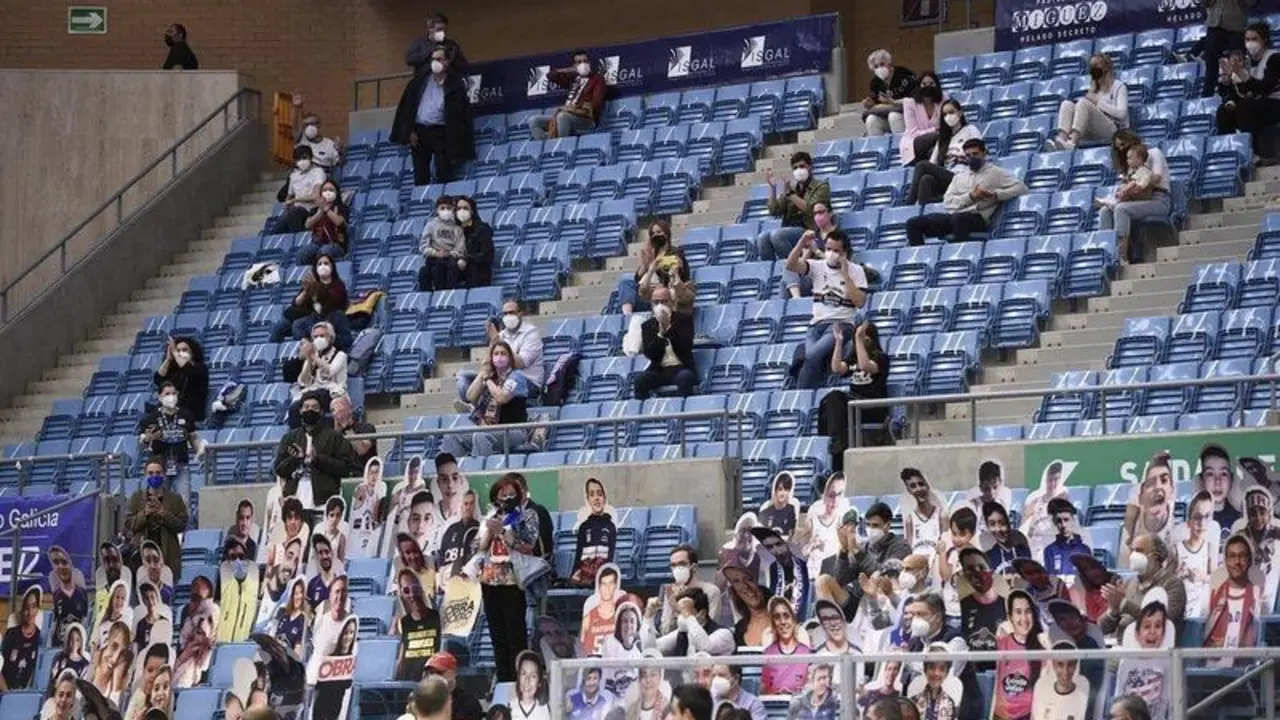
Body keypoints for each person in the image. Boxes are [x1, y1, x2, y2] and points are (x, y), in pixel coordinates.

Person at [472, 476, 541, 683]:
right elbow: (477, 548)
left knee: (515, 634)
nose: (506, 498)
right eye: (502, 494)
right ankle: (503, 679)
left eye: (511, 494)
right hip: (490, 582)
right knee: (497, 635)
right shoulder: (490, 516)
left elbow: (529, 544)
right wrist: (490, 532)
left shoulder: (525, 515)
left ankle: (520, 680)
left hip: (513, 582)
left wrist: (503, 531)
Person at [905, 138, 1028, 246]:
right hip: (954, 216)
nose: (971, 158)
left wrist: (996, 195)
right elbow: (948, 202)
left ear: (984, 153)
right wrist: (970, 197)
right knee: (913, 223)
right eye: (968, 155)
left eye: (975, 154)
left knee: (959, 219)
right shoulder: (960, 177)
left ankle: (960, 258)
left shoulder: (996, 173)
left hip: (977, 218)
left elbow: (1021, 187)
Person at [786, 229, 868, 389]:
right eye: (828, 249)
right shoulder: (818, 266)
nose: (831, 254)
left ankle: (800, 396)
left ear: (844, 252)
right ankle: (812, 399)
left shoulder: (856, 270)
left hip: (840, 325)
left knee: (811, 356)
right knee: (813, 360)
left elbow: (860, 302)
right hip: (816, 325)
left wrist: (845, 275)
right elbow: (790, 265)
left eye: (836, 251)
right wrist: (801, 243)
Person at [392, 44, 474, 186]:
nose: (435, 62)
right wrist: (409, 131)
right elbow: (407, 107)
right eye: (433, 59)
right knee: (420, 174)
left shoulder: (455, 85)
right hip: (419, 132)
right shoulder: (419, 82)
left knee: (444, 171)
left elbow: (460, 116)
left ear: (447, 62)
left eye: (439, 59)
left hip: (441, 133)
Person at [817, 504, 909, 622]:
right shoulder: (864, 546)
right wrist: (844, 550)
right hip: (857, 600)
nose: (871, 529)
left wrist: (856, 552)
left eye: (875, 525)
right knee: (823, 581)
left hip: (881, 599)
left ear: (887, 525)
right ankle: (831, 625)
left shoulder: (900, 547)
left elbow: (884, 576)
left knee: (875, 577)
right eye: (868, 525)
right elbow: (841, 579)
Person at [444, 341, 530, 457]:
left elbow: (501, 397)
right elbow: (470, 396)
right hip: (491, 429)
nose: (499, 357)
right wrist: (483, 373)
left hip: (515, 430)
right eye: (496, 354)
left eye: (503, 354)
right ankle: (455, 472)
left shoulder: (517, 376)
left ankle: (481, 471)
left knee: (481, 435)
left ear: (510, 358)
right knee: (453, 436)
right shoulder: (491, 377)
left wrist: (488, 380)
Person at [1097, 131, 1171, 264]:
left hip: (1158, 200)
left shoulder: (1154, 153)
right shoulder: (1130, 164)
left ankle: (1121, 256)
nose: (1121, 149)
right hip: (1137, 200)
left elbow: (1156, 178)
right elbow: (1126, 184)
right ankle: (1106, 253)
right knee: (1105, 211)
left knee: (1121, 209)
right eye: (1118, 148)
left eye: (1123, 144)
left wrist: (1140, 176)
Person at [272, 392, 359, 505]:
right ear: (300, 411)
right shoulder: (289, 438)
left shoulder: (334, 437)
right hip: (294, 501)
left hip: (324, 501)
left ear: (322, 412)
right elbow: (279, 469)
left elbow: (346, 467)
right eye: (306, 407)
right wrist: (296, 459)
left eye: (314, 407)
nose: (310, 410)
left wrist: (318, 459)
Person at [821, 319, 891, 457]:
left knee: (836, 397)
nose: (861, 339)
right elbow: (837, 368)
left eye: (865, 336)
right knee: (828, 401)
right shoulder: (852, 359)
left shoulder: (881, 358)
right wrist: (839, 342)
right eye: (858, 336)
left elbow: (865, 366)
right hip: (854, 407)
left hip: (872, 406)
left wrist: (858, 340)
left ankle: (839, 444)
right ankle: (833, 443)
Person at [458, 299, 544, 406]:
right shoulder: (501, 334)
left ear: (520, 313)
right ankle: (474, 405)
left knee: (498, 380)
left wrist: (498, 341)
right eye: (505, 313)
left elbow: (520, 363)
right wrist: (492, 344)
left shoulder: (531, 333)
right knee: (463, 376)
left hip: (526, 381)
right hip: (502, 377)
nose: (508, 316)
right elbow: (488, 362)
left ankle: (477, 408)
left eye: (511, 312)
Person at [1100, 534, 1186, 640]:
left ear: (1156, 556)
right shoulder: (1130, 584)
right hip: (1121, 647)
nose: (1133, 555)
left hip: (1154, 651)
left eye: (1139, 550)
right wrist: (1114, 611)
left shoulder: (1173, 585)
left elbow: (1164, 623)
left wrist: (1124, 604)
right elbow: (1102, 629)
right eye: (1132, 550)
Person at [1216, 22, 1280, 160]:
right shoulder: (1246, 61)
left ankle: (1254, 153)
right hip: (1256, 104)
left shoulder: (1274, 58)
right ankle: (1229, 153)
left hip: (1275, 103)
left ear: (1265, 40)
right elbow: (1243, 92)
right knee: (1224, 110)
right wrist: (1230, 80)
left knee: (1245, 107)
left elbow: (1264, 89)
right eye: (1247, 39)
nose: (1250, 43)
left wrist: (1244, 76)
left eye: (1254, 39)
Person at [905, 98, 982, 205]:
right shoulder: (943, 139)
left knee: (921, 165)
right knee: (926, 180)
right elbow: (932, 164)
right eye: (945, 114)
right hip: (948, 178)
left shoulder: (970, 130)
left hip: (964, 177)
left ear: (960, 113)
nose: (948, 117)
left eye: (951, 112)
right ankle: (927, 210)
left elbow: (979, 154)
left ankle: (908, 204)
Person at [757, 152, 831, 261]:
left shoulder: (821, 186)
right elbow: (774, 211)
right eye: (795, 168)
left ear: (810, 167)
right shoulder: (791, 189)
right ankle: (772, 273)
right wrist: (773, 188)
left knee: (777, 235)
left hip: (810, 230)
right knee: (762, 238)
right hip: (789, 230)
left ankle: (795, 268)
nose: (799, 170)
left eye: (802, 166)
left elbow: (810, 210)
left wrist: (791, 194)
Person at [138, 382, 204, 504]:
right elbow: (142, 444)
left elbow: (193, 437)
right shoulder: (150, 419)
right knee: (156, 502)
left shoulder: (186, 414)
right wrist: (148, 438)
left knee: (185, 502)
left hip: (181, 465)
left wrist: (199, 448)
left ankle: (186, 523)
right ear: (160, 397)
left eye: (174, 393)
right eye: (167, 394)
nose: (171, 397)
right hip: (159, 468)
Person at [1048, 53, 1129, 151]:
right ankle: (1061, 140)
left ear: (1106, 68)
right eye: (1092, 67)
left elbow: (1121, 114)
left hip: (1113, 129)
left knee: (1083, 103)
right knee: (1067, 104)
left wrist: (1098, 103)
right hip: (1092, 130)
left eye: (1097, 67)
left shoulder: (1119, 86)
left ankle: (1072, 142)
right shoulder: (1094, 87)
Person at [125, 457, 190, 577]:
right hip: (142, 559)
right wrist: (145, 514)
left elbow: (181, 525)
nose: (154, 476)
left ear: (164, 475)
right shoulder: (136, 497)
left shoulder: (175, 499)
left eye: (158, 473)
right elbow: (129, 524)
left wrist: (164, 513)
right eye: (150, 473)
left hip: (168, 558)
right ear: (145, 475)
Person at [272, 253, 351, 349]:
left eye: (326, 263)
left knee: (298, 324)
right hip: (311, 316)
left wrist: (317, 289)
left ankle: (311, 348)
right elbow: (296, 303)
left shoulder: (338, 284)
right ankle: (274, 348)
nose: (323, 266)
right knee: (284, 324)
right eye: (320, 264)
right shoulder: (312, 283)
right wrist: (306, 291)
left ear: (332, 266)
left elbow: (335, 304)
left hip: (330, 317)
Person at [1203, 535, 1263, 662]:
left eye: (1242, 556)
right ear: (1225, 560)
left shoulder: (1258, 597)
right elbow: (1201, 637)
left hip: (1247, 670)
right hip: (1214, 670)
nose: (1237, 561)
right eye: (1232, 556)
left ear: (1249, 560)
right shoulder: (1212, 596)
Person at [634, 286, 698, 400]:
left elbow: (686, 347)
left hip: (680, 367)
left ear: (672, 302)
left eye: (663, 301)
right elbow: (650, 354)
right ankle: (644, 415)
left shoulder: (684, 320)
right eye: (656, 302)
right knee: (640, 381)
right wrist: (661, 334)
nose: (660, 305)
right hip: (659, 370)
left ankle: (683, 413)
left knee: (685, 378)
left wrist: (668, 328)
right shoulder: (647, 326)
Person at [618, 220, 694, 315]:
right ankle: (627, 315)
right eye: (653, 234)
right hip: (649, 296)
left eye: (659, 232)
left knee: (661, 292)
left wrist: (660, 273)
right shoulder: (651, 253)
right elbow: (637, 279)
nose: (656, 236)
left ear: (666, 234)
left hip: (665, 296)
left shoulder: (675, 252)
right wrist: (645, 264)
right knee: (626, 283)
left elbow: (677, 277)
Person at [992, 590, 1046, 720]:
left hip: (1027, 715)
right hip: (1000, 715)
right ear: (1010, 617)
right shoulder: (1000, 644)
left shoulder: (1042, 648)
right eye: (1018, 612)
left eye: (1028, 611)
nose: (1024, 618)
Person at [528, 50, 607, 140]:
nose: (583, 64)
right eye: (579, 62)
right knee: (534, 121)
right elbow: (551, 76)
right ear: (574, 65)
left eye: (585, 61)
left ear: (589, 63)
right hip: (566, 114)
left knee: (562, 117)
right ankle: (548, 146)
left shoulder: (597, 79)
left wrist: (575, 109)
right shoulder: (573, 79)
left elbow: (596, 103)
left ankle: (559, 146)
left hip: (585, 119)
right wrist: (570, 70)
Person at [642, 586, 735, 657]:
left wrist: (688, 616)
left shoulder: (724, 634)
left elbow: (705, 646)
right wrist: (648, 618)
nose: (679, 616)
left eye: (684, 611)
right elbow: (650, 649)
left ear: (702, 614)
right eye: (679, 612)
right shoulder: (682, 632)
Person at [288, 322, 349, 428]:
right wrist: (308, 359)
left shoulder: (340, 355)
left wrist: (314, 357)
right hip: (312, 391)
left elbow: (330, 371)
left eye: (322, 336)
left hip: (333, 391)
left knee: (317, 402)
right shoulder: (312, 356)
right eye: (315, 337)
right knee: (294, 408)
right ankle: (297, 438)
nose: (318, 339)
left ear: (330, 337)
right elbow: (303, 381)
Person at [777, 201, 839, 300]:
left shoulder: (837, 236)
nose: (818, 216)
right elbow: (801, 262)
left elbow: (837, 262)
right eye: (815, 214)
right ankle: (795, 300)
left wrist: (816, 251)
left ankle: (790, 305)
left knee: (785, 282)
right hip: (811, 274)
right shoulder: (814, 234)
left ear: (830, 213)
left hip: (827, 275)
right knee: (786, 267)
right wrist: (805, 249)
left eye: (821, 212)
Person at [958, 548, 1005, 664]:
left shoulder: (1007, 606)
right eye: (970, 569)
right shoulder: (961, 607)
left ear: (991, 571)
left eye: (981, 567)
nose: (977, 573)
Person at [660, 545, 722, 634]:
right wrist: (673, 608)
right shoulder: (671, 593)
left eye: (682, 564)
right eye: (673, 565)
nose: (677, 569)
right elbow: (665, 631)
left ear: (694, 567)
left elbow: (710, 628)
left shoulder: (711, 591)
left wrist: (680, 609)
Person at [759, 596, 812, 694]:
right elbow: (762, 690)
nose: (783, 622)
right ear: (773, 623)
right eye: (777, 617)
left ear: (793, 619)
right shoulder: (767, 654)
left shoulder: (807, 653)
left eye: (786, 616)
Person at [1200, 1, 1253, 98]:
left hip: (1236, 26)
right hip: (1215, 24)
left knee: (1237, 62)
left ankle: (1238, 95)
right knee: (1210, 61)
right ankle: (1207, 97)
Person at [272, 145, 328, 234]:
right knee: (275, 228)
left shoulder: (318, 172)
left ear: (311, 157)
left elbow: (316, 195)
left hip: (311, 211)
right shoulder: (294, 176)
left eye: (304, 158)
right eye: (298, 159)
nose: (301, 161)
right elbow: (289, 197)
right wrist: (287, 204)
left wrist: (296, 199)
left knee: (296, 211)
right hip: (294, 212)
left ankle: (296, 238)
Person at [861, 49, 917, 136]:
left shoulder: (905, 74)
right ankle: (878, 148)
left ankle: (903, 146)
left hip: (909, 116)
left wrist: (893, 102)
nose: (879, 68)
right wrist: (870, 104)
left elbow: (914, 100)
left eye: (882, 64)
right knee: (871, 120)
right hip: (887, 116)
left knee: (894, 116)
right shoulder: (875, 83)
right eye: (876, 67)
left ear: (889, 63)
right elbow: (876, 101)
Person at [154, 336, 208, 423]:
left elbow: (189, 371)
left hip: (191, 414)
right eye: (178, 350)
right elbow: (158, 379)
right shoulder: (176, 370)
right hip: (171, 412)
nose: (180, 353)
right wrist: (168, 360)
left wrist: (175, 352)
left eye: (184, 350)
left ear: (192, 353)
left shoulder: (200, 368)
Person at [418, 196, 466, 291]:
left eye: (448, 208)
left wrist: (450, 253)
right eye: (442, 208)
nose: (445, 210)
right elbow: (423, 246)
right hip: (434, 257)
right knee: (425, 271)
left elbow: (460, 248)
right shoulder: (430, 225)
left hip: (451, 258)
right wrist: (435, 253)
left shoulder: (458, 228)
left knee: (449, 266)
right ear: (437, 210)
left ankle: (448, 293)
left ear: (453, 209)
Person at [297, 179, 348, 265]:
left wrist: (326, 208)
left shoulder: (342, 208)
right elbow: (307, 224)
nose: (327, 192)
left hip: (336, 245)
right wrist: (320, 211)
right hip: (316, 244)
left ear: (336, 193)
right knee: (302, 253)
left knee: (325, 250)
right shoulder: (315, 210)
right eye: (324, 190)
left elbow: (338, 222)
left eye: (331, 190)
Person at [898, 72, 944, 167]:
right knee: (941, 135)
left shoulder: (943, 99)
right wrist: (934, 130)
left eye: (931, 83)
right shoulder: (909, 103)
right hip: (914, 144)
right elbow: (913, 133)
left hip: (935, 145)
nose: (928, 87)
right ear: (919, 86)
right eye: (924, 84)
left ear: (937, 85)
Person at [0, 586, 41, 690]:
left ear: (38, 609)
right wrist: (6, 693)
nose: (30, 612)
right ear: (22, 610)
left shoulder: (40, 637)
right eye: (27, 608)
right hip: (5, 691)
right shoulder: (11, 634)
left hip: (26, 693)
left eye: (34, 606)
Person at [423, 652, 482, 720]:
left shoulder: (468, 703)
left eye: (439, 672)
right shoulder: (423, 701)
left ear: (453, 673)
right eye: (429, 673)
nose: (433, 677)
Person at [1198, 443, 1241, 529]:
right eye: (1210, 474)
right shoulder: (1194, 520)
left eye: (1223, 474)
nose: (1217, 481)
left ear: (1231, 479)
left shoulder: (1240, 520)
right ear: (1202, 479)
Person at [1043, 498, 1091, 575]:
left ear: (1073, 520)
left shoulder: (1084, 550)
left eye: (1066, 520)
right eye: (1059, 521)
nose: (1063, 525)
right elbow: (1050, 579)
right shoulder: (1050, 550)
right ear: (1055, 523)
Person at [454, 196, 494, 288]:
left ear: (472, 211)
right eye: (459, 208)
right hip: (456, 268)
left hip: (477, 269)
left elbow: (487, 255)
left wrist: (466, 259)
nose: (461, 211)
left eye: (465, 208)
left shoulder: (482, 229)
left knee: (471, 269)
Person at [983, 502, 1030, 570]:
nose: (998, 529)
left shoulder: (1023, 551)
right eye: (992, 524)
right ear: (988, 527)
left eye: (1002, 523)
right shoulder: (988, 558)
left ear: (1008, 522)